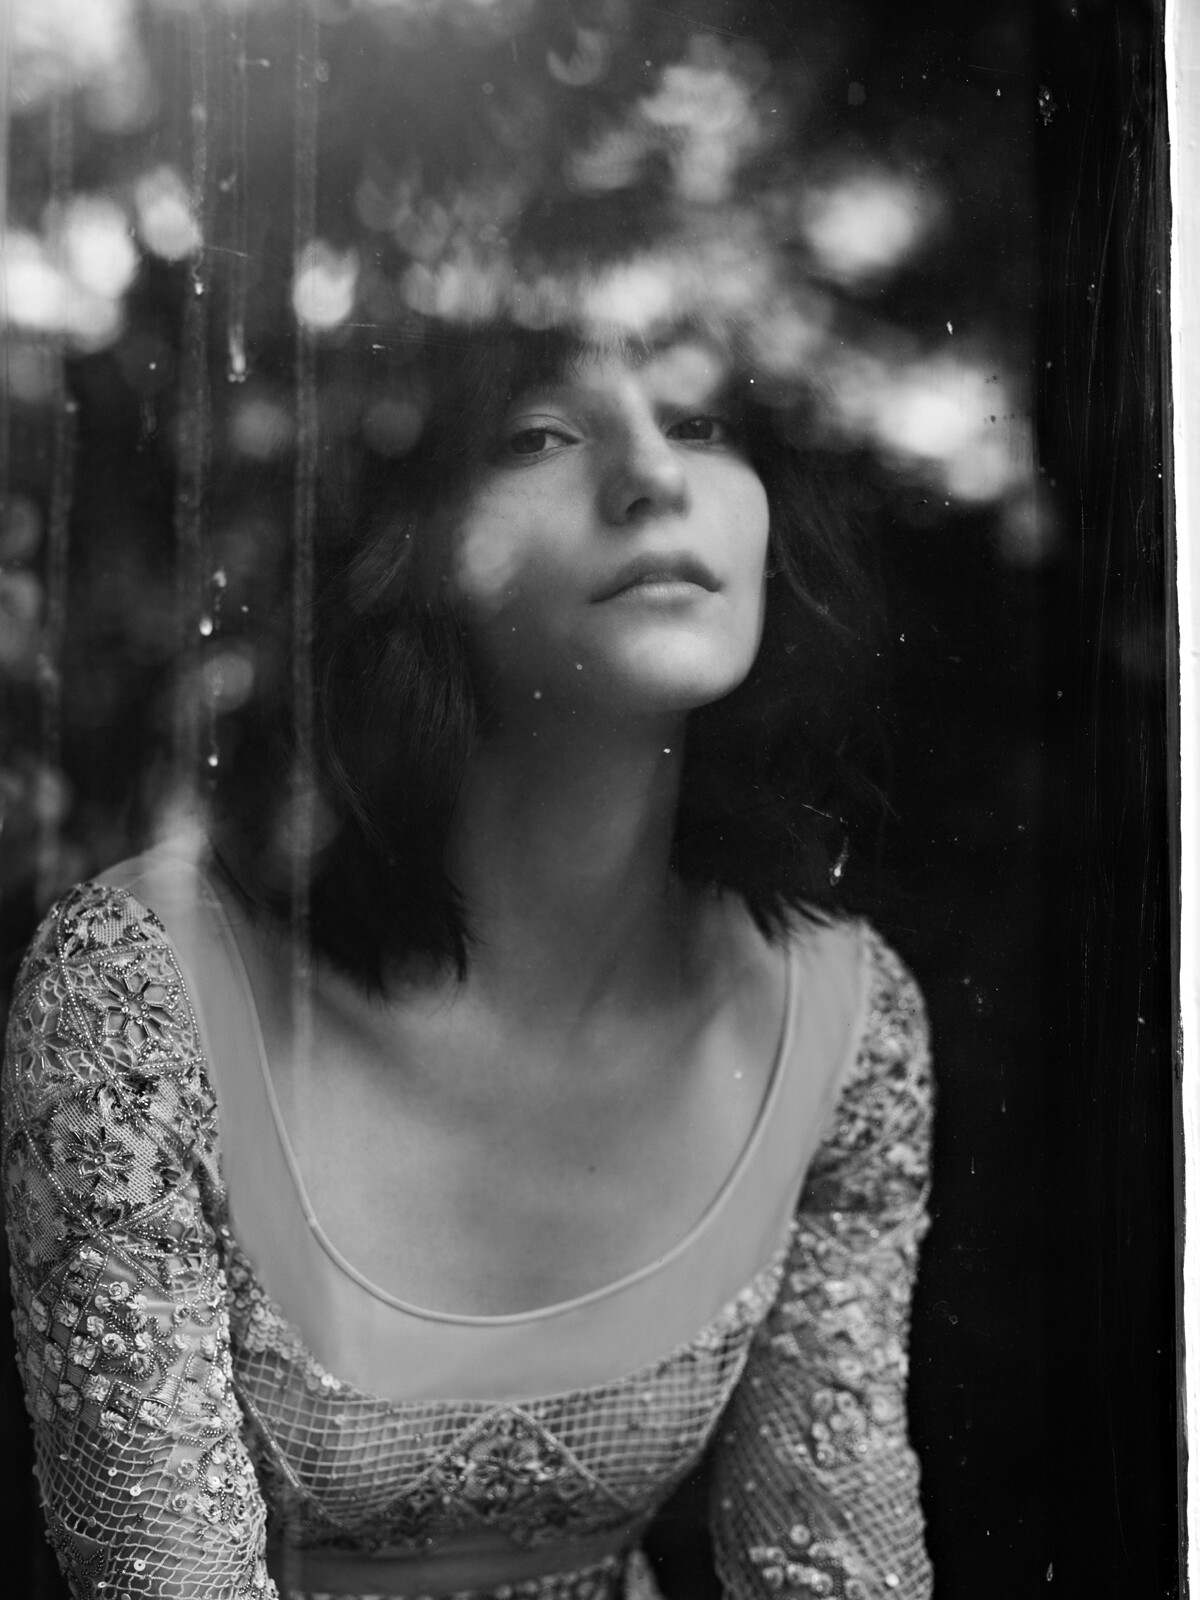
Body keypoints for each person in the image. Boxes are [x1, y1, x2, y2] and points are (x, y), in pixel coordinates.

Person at [2, 317, 934, 1600]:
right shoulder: (147, 997)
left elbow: (835, 1564)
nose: (655, 475)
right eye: (539, 435)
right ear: (404, 538)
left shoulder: (840, 1016)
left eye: (703, 421)